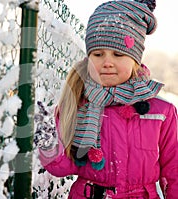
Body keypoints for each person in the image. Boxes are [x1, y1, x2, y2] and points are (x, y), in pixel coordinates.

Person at [34, 0, 178, 198]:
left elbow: (174, 170)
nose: (107, 62)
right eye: (98, 54)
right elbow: (62, 168)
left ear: (135, 59)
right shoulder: (77, 104)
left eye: (118, 54)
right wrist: (49, 143)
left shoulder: (160, 111)